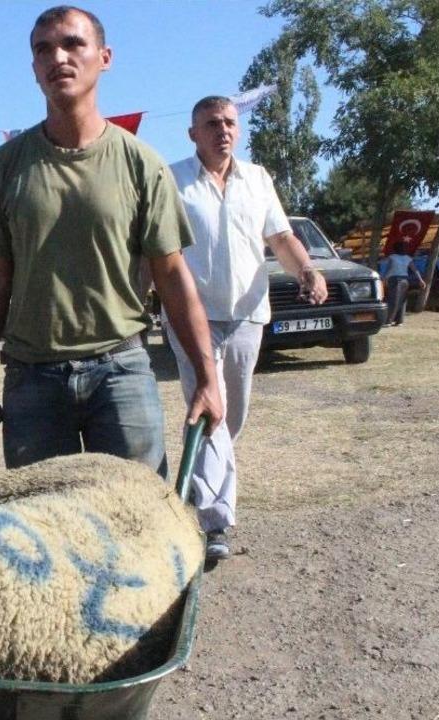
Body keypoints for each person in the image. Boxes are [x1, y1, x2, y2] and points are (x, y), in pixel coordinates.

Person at [0, 6, 222, 481]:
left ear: (104, 57)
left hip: (121, 371)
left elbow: (171, 276)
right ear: (33, 68)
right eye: (44, 49)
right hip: (32, 378)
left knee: (136, 515)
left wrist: (208, 377)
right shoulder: (4, 168)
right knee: (43, 520)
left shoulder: (142, 164)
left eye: (73, 44)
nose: (58, 57)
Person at [167, 95, 328, 561]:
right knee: (209, 409)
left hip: (247, 314)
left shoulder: (257, 179)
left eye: (229, 123)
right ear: (193, 134)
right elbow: (156, 248)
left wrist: (307, 271)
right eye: (212, 124)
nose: (223, 130)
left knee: (232, 415)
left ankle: (195, 489)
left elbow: (280, 237)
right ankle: (214, 522)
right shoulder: (172, 180)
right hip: (191, 316)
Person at [382, 239, 426, 326]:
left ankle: (389, 321)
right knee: (402, 300)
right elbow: (415, 270)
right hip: (405, 280)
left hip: (394, 279)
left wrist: (384, 279)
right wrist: (420, 280)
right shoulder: (408, 258)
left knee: (393, 300)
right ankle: (399, 321)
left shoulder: (392, 257)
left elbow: (389, 269)